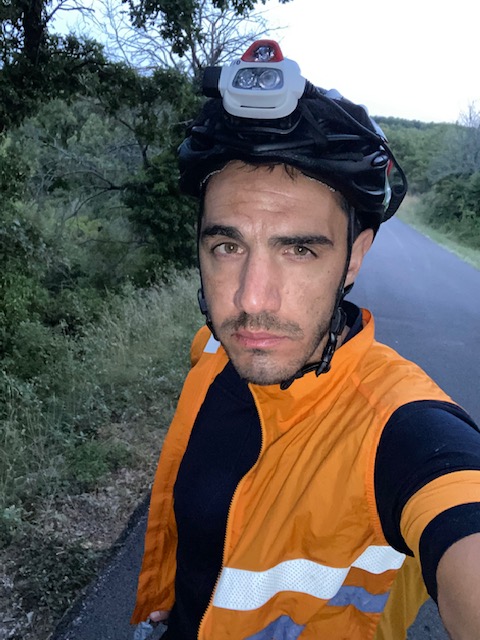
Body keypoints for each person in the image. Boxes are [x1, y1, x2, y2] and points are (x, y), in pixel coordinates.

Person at [131, 40, 480, 639]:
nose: (252, 300)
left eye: (298, 249)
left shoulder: (402, 429)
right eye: (227, 246)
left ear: (354, 258)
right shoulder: (214, 352)